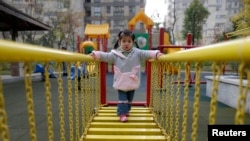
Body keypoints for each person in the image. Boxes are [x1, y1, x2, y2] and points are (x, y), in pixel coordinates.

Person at [89, 29, 163, 122]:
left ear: (133, 42)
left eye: (129, 41)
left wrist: (156, 53)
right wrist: (96, 54)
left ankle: (126, 109)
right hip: (121, 81)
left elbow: (147, 53)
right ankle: (122, 113)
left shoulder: (137, 52)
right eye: (124, 41)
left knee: (129, 98)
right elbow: (106, 56)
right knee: (122, 98)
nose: (126, 44)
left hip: (132, 80)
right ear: (119, 42)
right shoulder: (115, 54)